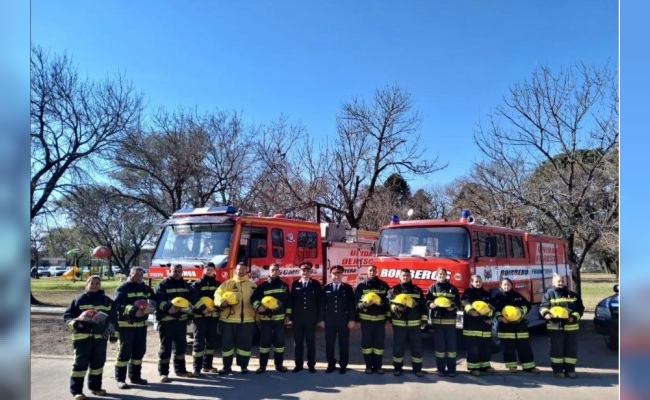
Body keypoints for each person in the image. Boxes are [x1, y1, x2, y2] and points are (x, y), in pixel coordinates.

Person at [63, 275, 117, 400]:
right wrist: (76, 323)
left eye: (97, 283)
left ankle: (96, 388)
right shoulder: (78, 300)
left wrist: (114, 335)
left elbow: (113, 319)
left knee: (98, 364)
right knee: (80, 365)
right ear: (86, 285)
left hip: (100, 338)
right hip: (82, 338)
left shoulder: (107, 301)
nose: (95, 285)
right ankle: (76, 391)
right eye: (92, 283)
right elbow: (67, 317)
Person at [113, 267, 155, 389]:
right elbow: (118, 305)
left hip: (141, 326)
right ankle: (120, 379)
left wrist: (151, 309)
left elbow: (152, 301)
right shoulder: (122, 288)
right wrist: (133, 311)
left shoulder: (146, 288)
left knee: (139, 352)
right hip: (126, 326)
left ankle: (135, 377)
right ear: (130, 274)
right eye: (136, 274)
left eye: (141, 275)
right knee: (124, 353)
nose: (138, 277)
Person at [154, 263, 195, 382]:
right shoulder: (162, 284)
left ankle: (181, 371)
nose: (177, 274)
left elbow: (190, 300)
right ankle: (163, 373)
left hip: (181, 321)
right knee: (165, 348)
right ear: (169, 271)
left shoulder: (185, 285)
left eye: (179, 272)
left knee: (181, 347)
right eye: (175, 271)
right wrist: (167, 307)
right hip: (167, 321)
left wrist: (190, 312)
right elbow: (157, 299)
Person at [214, 262, 257, 374]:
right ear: (235, 270)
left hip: (247, 321)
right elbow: (217, 295)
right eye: (239, 269)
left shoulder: (252, 285)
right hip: (228, 320)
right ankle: (227, 366)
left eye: (243, 269)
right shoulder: (227, 284)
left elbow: (258, 300)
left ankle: (243, 366)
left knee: (245, 346)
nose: (241, 271)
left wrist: (258, 318)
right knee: (227, 346)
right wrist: (220, 302)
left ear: (246, 270)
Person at [491, 277, 541, 374]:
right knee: (509, 349)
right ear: (500, 286)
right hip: (506, 327)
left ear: (511, 286)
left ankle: (529, 367)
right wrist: (500, 317)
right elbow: (495, 310)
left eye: (508, 285)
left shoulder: (517, 295)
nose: (506, 286)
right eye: (504, 285)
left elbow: (527, 305)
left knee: (525, 348)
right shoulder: (498, 297)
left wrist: (521, 313)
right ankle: (512, 367)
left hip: (520, 326)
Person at [539, 274, 585, 378]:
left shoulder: (572, 295)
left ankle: (570, 370)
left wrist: (574, 317)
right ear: (553, 283)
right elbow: (543, 307)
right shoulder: (549, 295)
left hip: (571, 327)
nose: (560, 283)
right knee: (557, 349)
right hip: (555, 327)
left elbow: (580, 308)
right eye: (558, 282)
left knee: (571, 349)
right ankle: (558, 370)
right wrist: (546, 314)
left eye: (562, 281)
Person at [386, 268, 427, 377]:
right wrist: (395, 308)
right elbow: (388, 304)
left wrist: (424, 320)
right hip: (399, 324)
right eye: (403, 276)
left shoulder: (417, 290)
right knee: (398, 347)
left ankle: (417, 369)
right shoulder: (393, 290)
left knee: (416, 347)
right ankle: (397, 368)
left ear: (410, 277)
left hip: (415, 324)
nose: (405, 277)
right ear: (399, 277)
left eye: (407, 276)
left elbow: (423, 306)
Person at [251, 262, 290, 373]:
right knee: (264, 344)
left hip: (279, 320)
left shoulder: (284, 286)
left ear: (279, 271)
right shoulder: (262, 286)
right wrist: (258, 306)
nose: (274, 272)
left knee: (279, 344)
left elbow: (288, 302)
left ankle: (279, 365)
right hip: (265, 321)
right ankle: (262, 366)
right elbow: (254, 298)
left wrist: (288, 316)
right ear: (269, 271)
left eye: (276, 270)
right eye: (272, 270)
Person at [287, 260, 323, 373]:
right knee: (298, 343)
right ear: (300, 271)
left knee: (311, 342)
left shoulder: (316, 284)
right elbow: (291, 301)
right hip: (298, 319)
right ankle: (298, 364)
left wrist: (320, 319)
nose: (306, 272)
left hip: (311, 319)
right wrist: (289, 316)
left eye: (308, 270)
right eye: (303, 270)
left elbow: (320, 303)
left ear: (311, 271)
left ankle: (311, 364)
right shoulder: (295, 284)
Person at [353, 264, 390, 374]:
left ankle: (378, 367)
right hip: (366, 320)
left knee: (379, 344)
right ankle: (368, 366)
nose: (372, 272)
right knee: (367, 344)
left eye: (374, 270)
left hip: (380, 320)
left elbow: (388, 301)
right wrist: (364, 305)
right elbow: (356, 303)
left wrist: (381, 303)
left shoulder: (383, 285)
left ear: (376, 272)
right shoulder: (361, 286)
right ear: (367, 272)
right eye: (370, 270)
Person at [425, 267, 461, 377]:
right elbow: (427, 300)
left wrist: (453, 307)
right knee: (439, 347)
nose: (441, 276)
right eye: (439, 274)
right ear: (436, 276)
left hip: (450, 321)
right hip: (437, 320)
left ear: (447, 275)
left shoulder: (452, 288)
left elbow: (458, 304)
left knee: (451, 347)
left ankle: (452, 370)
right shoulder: (432, 288)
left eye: (443, 274)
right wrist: (430, 304)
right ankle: (440, 369)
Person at [321, 265, 356, 374]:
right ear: (331, 275)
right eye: (334, 273)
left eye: (339, 273)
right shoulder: (326, 288)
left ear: (342, 275)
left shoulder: (347, 288)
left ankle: (343, 365)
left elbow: (351, 305)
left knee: (343, 344)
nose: (337, 276)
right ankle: (331, 364)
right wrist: (321, 320)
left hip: (343, 321)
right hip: (329, 321)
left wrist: (351, 319)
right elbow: (322, 306)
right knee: (329, 344)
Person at [190, 262, 221, 375]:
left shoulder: (218, 284)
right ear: (203, 270)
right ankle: (196, 368)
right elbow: (193, 297)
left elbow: (219, 297)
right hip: (200, 317)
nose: (209, 271)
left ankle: (207, 365)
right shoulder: (197, 284)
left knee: (211, 342)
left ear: (214, 270)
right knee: (198, 342)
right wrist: (202, 308)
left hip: (212, 317)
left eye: (211, 269)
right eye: (207, 269)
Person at [460, 274, 495, 376]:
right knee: (473, 348)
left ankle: (485, 366)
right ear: (471, 282)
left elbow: (492, 305)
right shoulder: (468, 293)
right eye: (476, 281)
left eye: (479, 281)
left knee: (486, 347)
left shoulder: (486, 294)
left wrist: (489, 314)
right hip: (472, 325)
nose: (478, 283)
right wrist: (471, 311)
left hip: (485, 325)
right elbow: (464, 302)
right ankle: (473, 368)